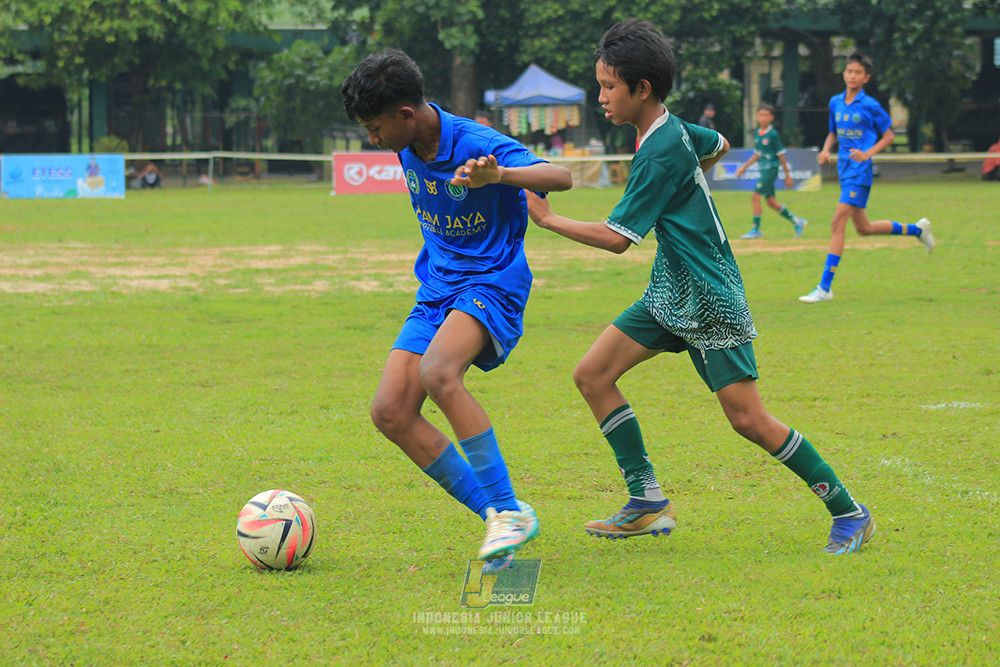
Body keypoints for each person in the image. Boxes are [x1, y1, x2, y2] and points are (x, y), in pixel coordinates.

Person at [525, 19, 875, 555]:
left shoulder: (659, 149)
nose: (601, 97)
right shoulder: (675, 128)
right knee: (593, 375)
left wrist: (549, 222)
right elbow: (721, 144)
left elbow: (619, 239)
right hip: (671, 289)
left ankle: (848, 510)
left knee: (747, 419)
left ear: (642, 89)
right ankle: (646, 503)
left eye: (608, 86)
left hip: (709, 295)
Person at [340, 50, 572, 569]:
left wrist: (500, 178)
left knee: (439, 371)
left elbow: (561, 177)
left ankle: (508, 511)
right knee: (391, 412)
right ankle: (499, 514)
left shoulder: (477, 143)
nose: (373, 141)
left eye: (376, 129)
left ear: (406, 115)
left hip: (493, 282)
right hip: (438, 289)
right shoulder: (408, 142)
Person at [799, 53, 933, 303]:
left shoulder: (870, 105)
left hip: (860, 173)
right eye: (849, 71)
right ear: (844, 74)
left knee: (837, 222)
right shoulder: (835, 102)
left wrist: (867, 153)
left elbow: (889, 136)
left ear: (866, 78)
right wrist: (826, 150)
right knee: (864, 228)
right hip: (844, 171)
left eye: (858, 72)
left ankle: (825, 287)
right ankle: (917, 230)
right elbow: (832, 133)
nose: (852, 76)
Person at [735, 103, 807, 239]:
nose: (763, 118)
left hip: (771, 169)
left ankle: (756, 229)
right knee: (771, 202)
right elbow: (757, 154)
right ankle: (798, 222)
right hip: (763, 169)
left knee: (755, 196)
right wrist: (743, 168)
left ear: (771, 118)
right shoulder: (758, 133)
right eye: (760, 115)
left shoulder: (772, 134)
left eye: (766, 115)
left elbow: (781, 155)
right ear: (757, 116)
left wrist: (787, 176)